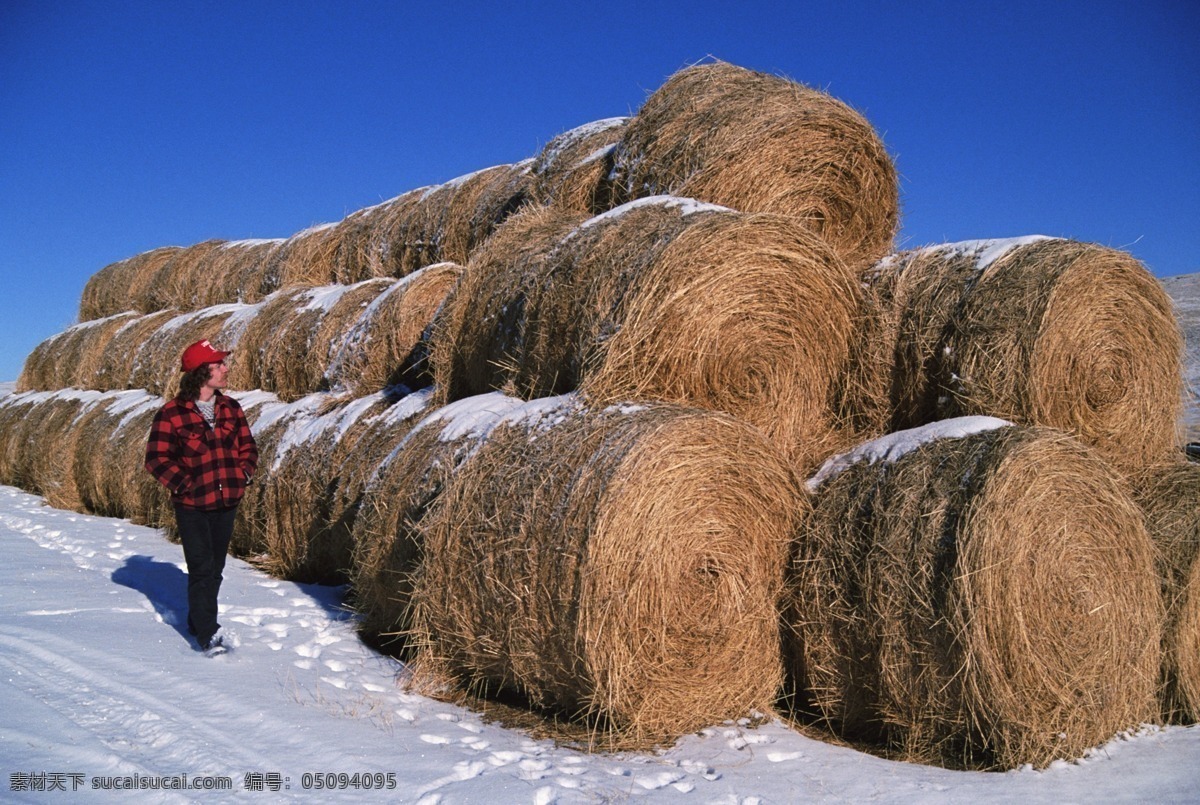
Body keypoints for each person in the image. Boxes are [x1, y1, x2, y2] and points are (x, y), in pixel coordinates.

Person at [145, 339, 258, 654]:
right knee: (201, 567)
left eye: (223, 363)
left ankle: (198, 619)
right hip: (192, 505)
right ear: (200, 372)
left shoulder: (231, 408)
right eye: (218, 364)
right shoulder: (171, 414)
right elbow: (156, 459)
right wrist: (184, 485)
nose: (225, 368)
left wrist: (244, 473)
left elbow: (248, 447)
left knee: (216, 567)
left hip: (227, 501)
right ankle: (209, 633)